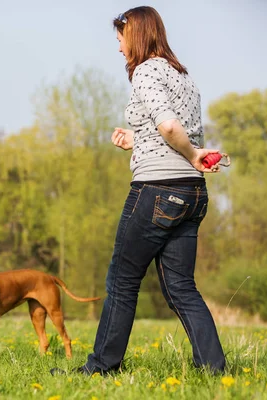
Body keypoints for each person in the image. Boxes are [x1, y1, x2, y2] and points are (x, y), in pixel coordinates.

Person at [54, 6, 227, 376]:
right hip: (193, 193)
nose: (119, 48)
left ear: (135, 36)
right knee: (181, 287)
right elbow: (170, 128)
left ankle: (100, 367)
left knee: (122, 279)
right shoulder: (183, 74)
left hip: (157, 191)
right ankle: (214, 370)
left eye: (120, 39)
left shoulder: (146, 71)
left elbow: (168, 127)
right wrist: (137, 138)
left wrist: (194, 152)